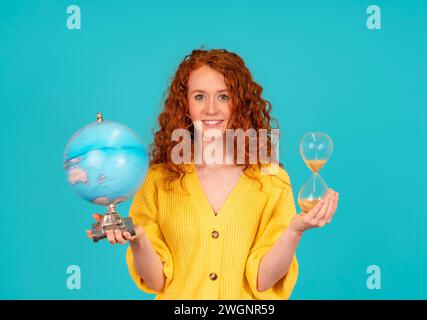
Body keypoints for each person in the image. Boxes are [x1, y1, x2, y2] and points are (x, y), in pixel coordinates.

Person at [86, 48, 339, 300]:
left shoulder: (271, 180)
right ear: (184, 104)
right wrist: (138, 238)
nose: (211, 109)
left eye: (223, 97)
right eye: (199, 97)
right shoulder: (156, 180)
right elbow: (156, 281)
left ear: (239, 102)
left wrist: (295, 229)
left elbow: (263, 281)